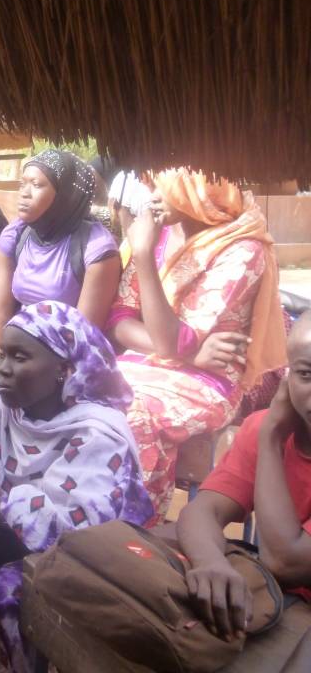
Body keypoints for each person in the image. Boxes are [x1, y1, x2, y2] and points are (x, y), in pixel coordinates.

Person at [0, 302, 154, 672]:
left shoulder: (98, 434)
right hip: (1, 540)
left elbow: (68, 534)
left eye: (20, 357)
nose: (3, 368)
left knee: (9, 596)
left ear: (64, 369)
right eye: (2, 354)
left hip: (85, 566)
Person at [110, 168, 287, 518]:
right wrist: (188, 353)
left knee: (133, 411)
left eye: (163, 185)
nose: (153, 195)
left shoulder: (241, 247)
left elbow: (176, 339)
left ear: (199, 186)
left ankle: (132, 526)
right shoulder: (161, 235)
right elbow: (120, 319)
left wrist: (142, 255)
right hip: (154, 364)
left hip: (209, 382)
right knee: (82, 390)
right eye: (151, 185)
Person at [176, 312, 311, 669]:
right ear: (287, 376)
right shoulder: (264, 427)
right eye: (306, 374)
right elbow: (203, 510)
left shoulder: (271, 432)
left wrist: (271, 439)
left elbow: (286, 561)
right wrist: (210, 562)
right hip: (279, 608)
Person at [0, 149, 121, 345]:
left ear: (65, 195)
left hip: (66, 352)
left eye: (36, 185)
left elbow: (83, 337)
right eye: (22, 184)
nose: (24, 193)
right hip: (18, 345)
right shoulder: (16, 235)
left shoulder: (96, 249)